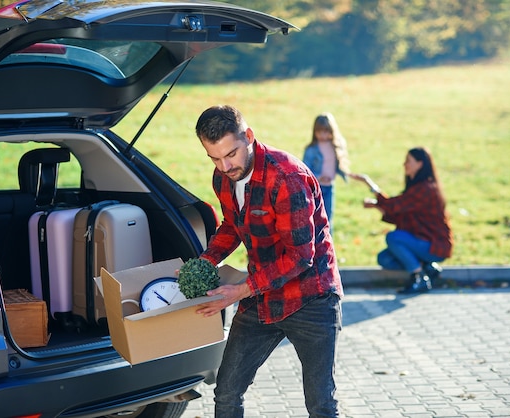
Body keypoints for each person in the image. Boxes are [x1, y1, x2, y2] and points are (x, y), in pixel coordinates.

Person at [193, 105, 343, 417]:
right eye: (215, 158)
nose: (224, 165)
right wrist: (206, 262)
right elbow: (233, 225)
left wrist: (239, 291)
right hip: (261, 296)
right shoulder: (223, 178)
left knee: (320, 404)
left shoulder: (287, 177)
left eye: (231, 154)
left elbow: (301, 257)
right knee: (227, 392)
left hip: (310, 298)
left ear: (248, 136)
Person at [349, 147, 453, 294]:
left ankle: (419, 278)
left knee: (394, 238)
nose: (404, 164)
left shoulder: (426, 189)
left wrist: (370, 185)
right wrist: (376, 206)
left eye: (408, 161)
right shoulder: (417, 188)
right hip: (421, 241)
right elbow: (398, 214)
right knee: (385, 259)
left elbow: (393, 206)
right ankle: (428, 268)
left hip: (435, 245)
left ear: (420, 164)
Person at [302, 112, 350, 225]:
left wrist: (345, 173)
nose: (323, 135)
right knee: (314, 218)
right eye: (319, 132)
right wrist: (319, 177)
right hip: (316, 188)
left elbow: (337, 164)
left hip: (329, 187)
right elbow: (305, 169)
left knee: (328, 218)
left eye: (326, 131)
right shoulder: (312, 149)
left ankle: (328, 242)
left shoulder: (335, 146)